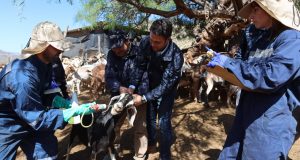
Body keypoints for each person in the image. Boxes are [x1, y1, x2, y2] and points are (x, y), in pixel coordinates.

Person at [206, 0, 300, 159]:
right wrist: (225, 64)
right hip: (245, 110)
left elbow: (271, 77)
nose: (250, 16)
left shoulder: (292, 39)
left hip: (271, 121)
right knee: (228, 156)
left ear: (272, 13)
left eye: (255, 10)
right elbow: (241, 61)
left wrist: (229, 64)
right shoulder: (254, 35)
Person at [0, 21, 102, 160]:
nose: (61, 50)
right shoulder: (22, 77)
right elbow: (36, 118)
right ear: (43, 47)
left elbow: (44, 92)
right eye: (56, 47)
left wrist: (59, 101)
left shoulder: (46, 64)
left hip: (34, 115)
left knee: (47, 155)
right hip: (7, 123)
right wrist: (66, 114)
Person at [132, 18, 184, 160]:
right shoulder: (145, 42)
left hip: (167, 89)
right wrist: (132, 87)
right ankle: (152, 142)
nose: (152, 44)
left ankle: (165, 155)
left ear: (167, 39)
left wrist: (143, 98)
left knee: (163, 121)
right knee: (150, 116)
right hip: (150, 83)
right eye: (151, 40)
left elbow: (165, 86)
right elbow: (139, 66)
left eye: (157, 42)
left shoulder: (176, 57)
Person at [105, 31, 148, 160]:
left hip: (137, 95)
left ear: (127, 41)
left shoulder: (139, 52)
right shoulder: (111, 55)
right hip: (118, 95)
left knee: (140, 127)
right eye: (113, 48)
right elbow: (109, 76)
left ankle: (140, 155)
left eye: (119, 47)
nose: (117, 51)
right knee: (113, 125)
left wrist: (139, 94)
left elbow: (145, 76)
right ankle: (115, 151)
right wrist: (118, 87)